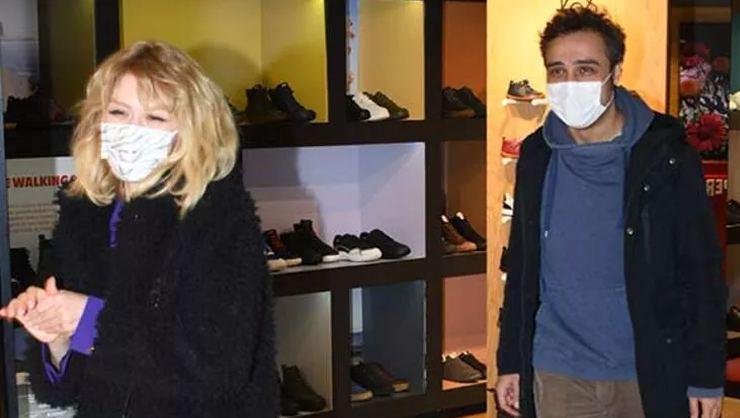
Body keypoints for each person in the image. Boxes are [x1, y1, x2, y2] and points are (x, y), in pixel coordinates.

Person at [0, 41, 278, 417]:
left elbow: (217, 371)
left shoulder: (217, 213)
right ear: (97, 120)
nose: (133, 129)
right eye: (118, 111)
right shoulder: (85, 214)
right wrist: (59, 335)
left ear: (191, 130)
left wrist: (89, 319)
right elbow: (70, 386)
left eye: (155, 117)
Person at [495, 6, 726, 418]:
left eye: (585, 70)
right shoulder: (537, 156)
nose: (570, 83)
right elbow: (523, 268)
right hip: (559, 369)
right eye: (558, 71)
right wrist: (510, 360)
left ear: (615, 73)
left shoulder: (666, 155)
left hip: (647, 368)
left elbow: (700, 270)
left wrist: (706, 374)